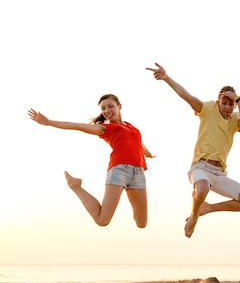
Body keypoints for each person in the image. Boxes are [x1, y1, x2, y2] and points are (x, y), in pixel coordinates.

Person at [146, 63, 240, 238]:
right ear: (218, 100)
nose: (228, 107)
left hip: (219, 174)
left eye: (231, 104)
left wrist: (239, 100)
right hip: (200, 168)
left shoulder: (236, 118)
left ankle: (209, 208)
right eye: (224, 103)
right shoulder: (207, 109)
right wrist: (166, 78)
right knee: (203, 189)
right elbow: (187, 96)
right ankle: (195, 215)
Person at [28, 94, 153, 228]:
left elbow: (138, 142)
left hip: (138, 172)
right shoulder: (105, 128)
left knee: (142, 223)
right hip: (120, 170)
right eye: (103, 108)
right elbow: (78, 126)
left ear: (119, 106)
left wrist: (149, 154)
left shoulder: (130, 126)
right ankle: (75, 186)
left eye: (110, 106)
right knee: (102, 220)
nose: (106, 111)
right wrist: (49, 122)